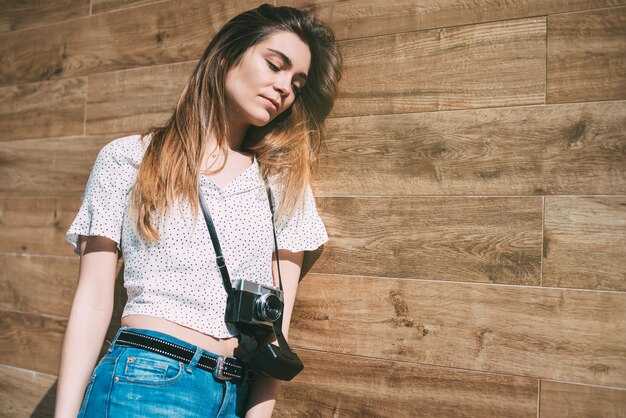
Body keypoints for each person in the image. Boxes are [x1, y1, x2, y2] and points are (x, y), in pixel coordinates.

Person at [54, 3, 342, 417]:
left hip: (232, 392)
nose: (284, 88)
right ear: (227, 55)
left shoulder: (281, 184)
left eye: (297, 82)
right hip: (144, 380)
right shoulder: (129, 159)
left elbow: (276, 330)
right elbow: (94, 301)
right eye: (274, 65)